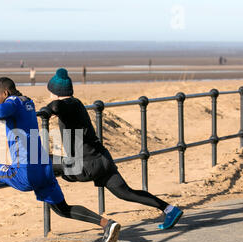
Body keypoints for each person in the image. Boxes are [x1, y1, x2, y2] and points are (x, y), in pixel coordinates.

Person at [0, 77, 121, 242]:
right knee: (62, 209)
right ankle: (107, 224)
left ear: (5, 93)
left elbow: (1, 110)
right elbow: (7, 112)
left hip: (25, 173)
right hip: (44, 167)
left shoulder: (12, 102)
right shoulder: (28, 102)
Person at [45, 68, 183, 230]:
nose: (49, 96)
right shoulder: (76, 106)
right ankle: (169, 209)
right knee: (126, 193)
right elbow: (61, 107)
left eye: (50, 93)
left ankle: (50, 194)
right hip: (103, 160)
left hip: (85, 166)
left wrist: (47, 111)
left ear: (56, 93)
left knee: (42, 161)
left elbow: (56, 105)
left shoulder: (69, 104)